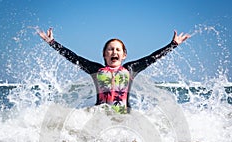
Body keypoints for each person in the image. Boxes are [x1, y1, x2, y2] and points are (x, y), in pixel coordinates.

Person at [38, 28, 190, 113]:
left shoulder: (130, 69)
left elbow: (152, 57)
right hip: (100, 116)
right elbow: (73, 57)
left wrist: (173, 44)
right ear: (104, 54)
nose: (114, 52)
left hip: (124, 117)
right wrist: (52, 43)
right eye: (110, 49)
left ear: (124, 55)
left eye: (118, 49)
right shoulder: (96, 70)